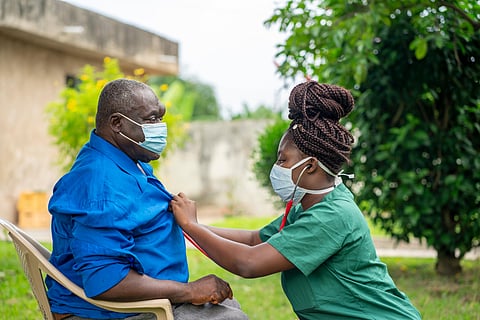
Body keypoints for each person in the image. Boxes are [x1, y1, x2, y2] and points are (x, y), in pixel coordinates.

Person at [171, 81, 422, 320]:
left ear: (310, 166)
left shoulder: (331, 216)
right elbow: (254, 239)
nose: (276, 167)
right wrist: (189, 226)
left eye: (282, 160)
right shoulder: (309, 205)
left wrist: (192, 227)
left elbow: (248, 263)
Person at [47, 78, 248, 320]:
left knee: (229, 308)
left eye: (160, 118)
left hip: (144, 302)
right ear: (117, 124)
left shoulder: (127, 162)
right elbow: (106, 282)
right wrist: (190, 291)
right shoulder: (101, 186)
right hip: (109, 312)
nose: (160, 127)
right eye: (151, 119)